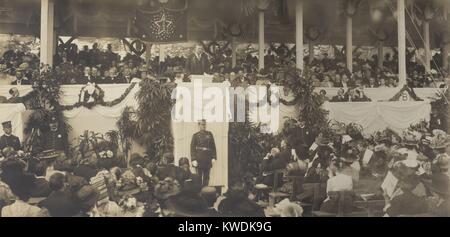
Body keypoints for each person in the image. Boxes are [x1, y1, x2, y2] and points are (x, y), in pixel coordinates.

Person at [190, 119, 216, 186]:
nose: (204, 126)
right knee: (198, 177)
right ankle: (199, 193)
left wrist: (213, 157)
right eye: (202, 124)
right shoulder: (195, 135)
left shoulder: (210, 134)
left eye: (205, 124)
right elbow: (192, 148)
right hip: (199, 159)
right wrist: (193, 159)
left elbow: (213, 147)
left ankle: (205, 192)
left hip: (208, 159)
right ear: (199, 125)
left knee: (206, 177)